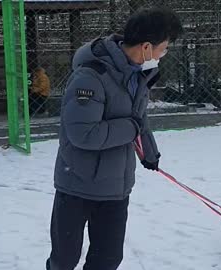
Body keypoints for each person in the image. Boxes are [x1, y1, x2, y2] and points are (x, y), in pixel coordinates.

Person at [46, 7, 183, 270]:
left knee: (107, 260)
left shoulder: (138, 74)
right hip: (77, 184)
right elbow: (83, 134)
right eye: (163, 48)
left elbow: (138, 119)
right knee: (64, 260)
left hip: (116, 186)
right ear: (145, 47)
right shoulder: (90, 76)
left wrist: (150, 153)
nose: (163, 55)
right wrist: (131, 129)